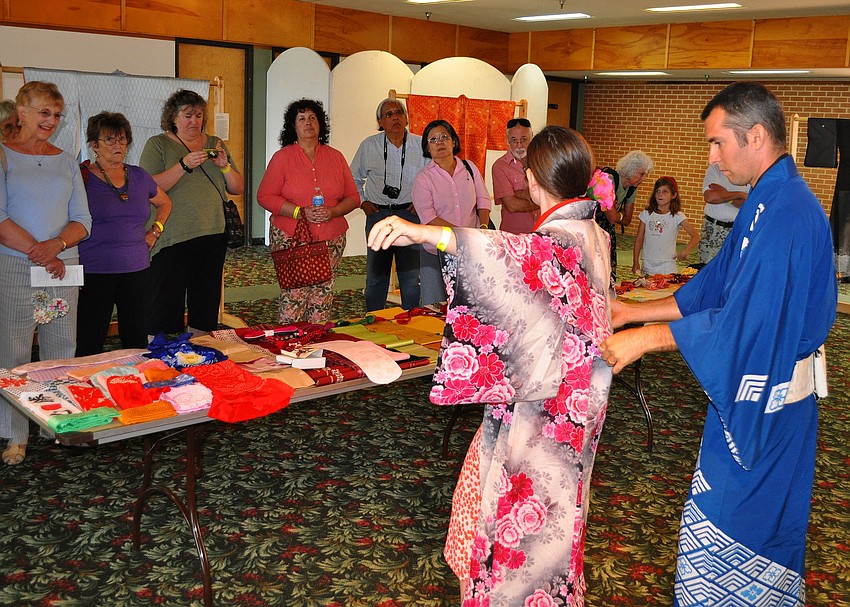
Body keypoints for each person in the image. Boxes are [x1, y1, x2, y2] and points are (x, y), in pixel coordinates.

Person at [600, 82, 837, 606]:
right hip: (753, 387)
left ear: (755, 136)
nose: (710, 157)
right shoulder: (765, 201)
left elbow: (748, 322)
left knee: (746, 529)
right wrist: (631, 312)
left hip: (769, 403)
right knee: (713, 529)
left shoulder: (790, 213)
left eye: (716, 143)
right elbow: (712, 287)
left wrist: (644, 340)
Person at [370, 126, 614, 605]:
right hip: (579, 391)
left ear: (532, 178)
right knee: (561, 505)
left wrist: (423, 231)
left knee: (527, 515)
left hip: (549, 405)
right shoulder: (594, 232)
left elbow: (504, 253)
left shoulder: (560, 237)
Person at [0, 81, 91, 465]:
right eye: (43, 113)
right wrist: (40, 252)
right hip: (17, 267)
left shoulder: (66, 159)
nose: (51, 121)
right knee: (14, 352)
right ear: (21, 112)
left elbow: (83, 220)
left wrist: (55, 249)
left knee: (59, 350)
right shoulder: (3, 156)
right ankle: (14, 434)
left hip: (60, 269)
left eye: (56, 115)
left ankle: (57, 424)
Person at [139, 89, 244, 339]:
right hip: (171, 236)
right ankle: (163, 356)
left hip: (213, 234)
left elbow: (237, 187)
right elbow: (148, 187)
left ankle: (201, 351)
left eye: (198, 115)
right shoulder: (158, 144)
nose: (194, 121)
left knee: (206, 304)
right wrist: (184, 165)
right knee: (166, 304)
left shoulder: (214, 143)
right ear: (173, 118)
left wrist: (224, 166)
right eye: (187, 115)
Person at [76, 112, 172, 355]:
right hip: (96, 269)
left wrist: (155, 230)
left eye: (122, 139)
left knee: (136, 339)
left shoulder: (139, 175)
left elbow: (165, 203)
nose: (118, 145)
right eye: (110, 140)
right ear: (94, 145)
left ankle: (135, 386)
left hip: (137, 269)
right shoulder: (82, 178)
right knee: (90, 339)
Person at [258, 98, 360, 323]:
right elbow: (264, 196)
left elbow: (354, 197)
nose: (308, 123)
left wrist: (333, 211)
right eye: (301, 119)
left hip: (330, 238)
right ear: (293, 126)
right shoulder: (282, 158)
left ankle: (317, 345)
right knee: (295, 294)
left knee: (323, 294)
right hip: (291, 236)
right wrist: (298, 212)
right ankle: (288, 345)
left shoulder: (336, 157)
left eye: (312, 118)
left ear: (320, 123)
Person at [350, 98, 426, 311]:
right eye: (389, 114)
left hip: (410, 216)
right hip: (378, 215)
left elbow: (432, 178)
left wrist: (422, 203)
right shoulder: (369, 145)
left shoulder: (421, 145)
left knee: (411, 277)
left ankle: (413, 320)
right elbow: (353, 178)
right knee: (377, 276)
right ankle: (373, 322)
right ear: (380, 121)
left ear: (406, 118)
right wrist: (363, 201)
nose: (395, 117)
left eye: (399, 112)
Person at [412, 119, 490, 306]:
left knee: (471, 302)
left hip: (472, 248)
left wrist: (484, 227)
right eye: (433, 140)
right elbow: (428, 217)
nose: (440, 142)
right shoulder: (423, 178)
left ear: (454, 142)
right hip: (436, 250)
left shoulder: (469, 168)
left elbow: (483, 200)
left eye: (444, 137)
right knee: (436, 305)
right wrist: (462, 235)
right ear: (427, 148)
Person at [594, 150, 653, 279]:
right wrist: (619, 215)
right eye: (641, 174)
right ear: (630, 170)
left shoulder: (632, 189)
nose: (644, 179)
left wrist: (617, 215)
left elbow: (627, 220)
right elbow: (612, 217)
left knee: (609, 269)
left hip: (608, 231)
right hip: (593, 229)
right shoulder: (609, 180)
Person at [632, 176, 699, 275]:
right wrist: (635, 261)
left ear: (674, 195)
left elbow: (696, 236)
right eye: (657, 191)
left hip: (667, 265)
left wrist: (686, 251)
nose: (660, 194)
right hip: (648, 263)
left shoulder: (677, 216)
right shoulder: (646, 214)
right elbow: (639, 239)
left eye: (665, 191)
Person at [491, 117, 539, 233]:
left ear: (531, 138)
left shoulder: (541, 162)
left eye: (523, 139)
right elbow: (512, 205)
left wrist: (520, 194)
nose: (519, 145)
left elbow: (553, 192)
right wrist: (542, 201)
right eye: (514, 140)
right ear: (507, 141)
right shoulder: (499, 166)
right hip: (513, 237)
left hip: (542, 233)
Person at [699, 161, 749, 263]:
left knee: (733, 269)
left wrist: (724, 195)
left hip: (736, 229)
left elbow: (749, 204)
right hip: (712, 228)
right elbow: (710, 197)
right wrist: (740, 194)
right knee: (707, 268)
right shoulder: (715, 169)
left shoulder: (748, 172)